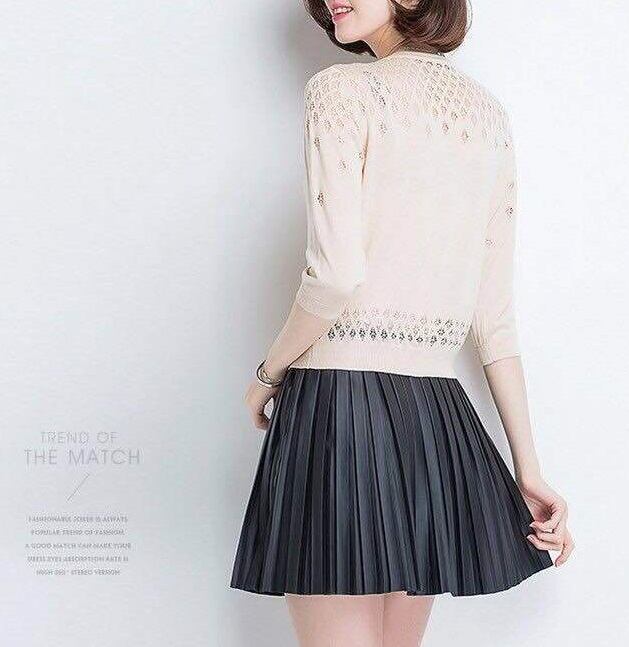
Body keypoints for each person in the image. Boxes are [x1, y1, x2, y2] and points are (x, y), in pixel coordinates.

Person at [231, 1, 574, 645]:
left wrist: (266, 375)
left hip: (337, 407)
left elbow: (335, 277)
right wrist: (527, 467)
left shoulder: (339, 91)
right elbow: (494, 318)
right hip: (433, 415)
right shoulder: (488, 117)